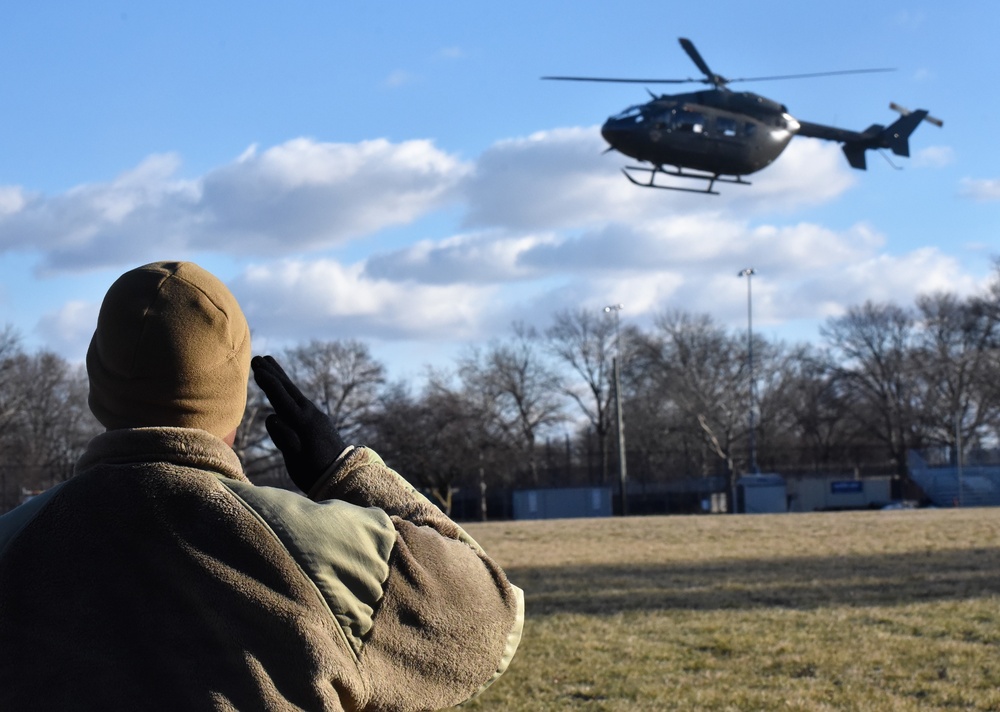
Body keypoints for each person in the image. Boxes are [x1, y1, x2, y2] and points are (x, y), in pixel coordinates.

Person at [0, 261, 523, 711]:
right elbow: (492, 616)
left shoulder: (12, 544)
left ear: (99, 381)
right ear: (234, 392)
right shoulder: (325, 552)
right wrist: (349, 473)